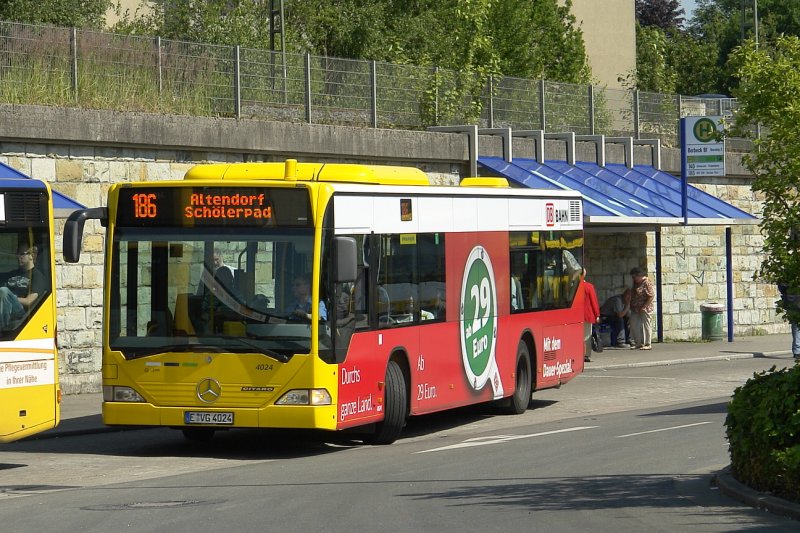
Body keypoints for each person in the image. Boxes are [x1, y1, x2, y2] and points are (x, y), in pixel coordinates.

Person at [0, 242, 46, 330]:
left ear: (31, 256)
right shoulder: (12, 273)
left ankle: (2, 328)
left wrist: (10, 298)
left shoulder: (37, 276)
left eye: (21, 254)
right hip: (6, 308)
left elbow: (29, 301)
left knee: (3, 291)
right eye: (17, 254)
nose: (18, 257)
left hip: (21, 313)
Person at [629, 267, 655, 350]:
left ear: (639, 275)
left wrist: (645, 306)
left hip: (645, 308)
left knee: (646, 325)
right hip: (635, 307)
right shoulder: (635, 283)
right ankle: (638, 342)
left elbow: (651, 296)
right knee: (634, 324)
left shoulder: (646, 283)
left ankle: (648, 343)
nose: (633, 279)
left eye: (634, 277)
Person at [777, 282, 800, 361]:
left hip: (792, 301)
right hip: (793, 301)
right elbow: (782, 286)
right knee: (796, 326)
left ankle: (797, 351)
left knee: (796, 326)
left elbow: (781, 287)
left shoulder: (787, 272)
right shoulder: (789, 273)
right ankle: (797, 351)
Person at [582, 269, 600, 362]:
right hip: (587, 315)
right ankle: (586, 354)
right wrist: (597, 314)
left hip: (575, 316)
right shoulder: (589, 286)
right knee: (586, 336)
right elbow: (594, 301)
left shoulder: (573, 286)